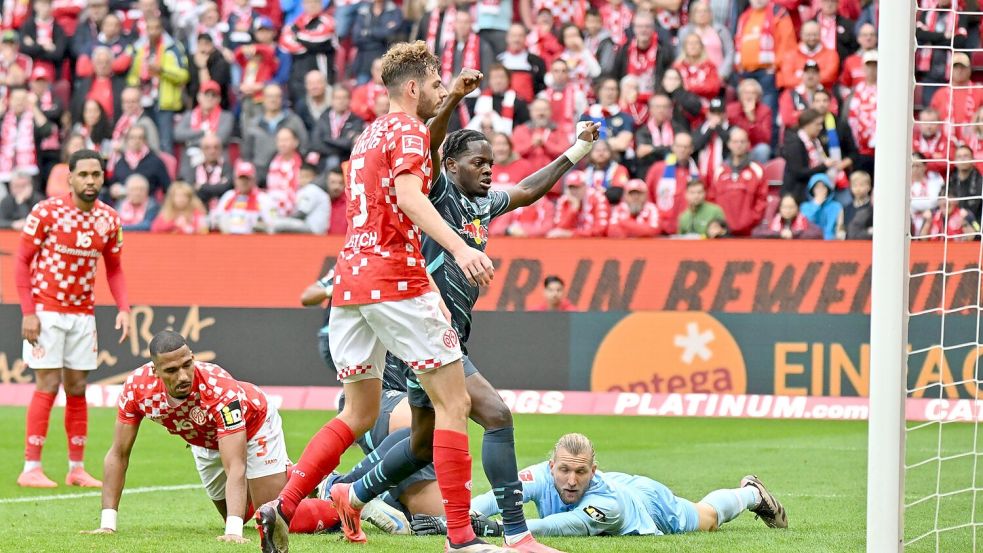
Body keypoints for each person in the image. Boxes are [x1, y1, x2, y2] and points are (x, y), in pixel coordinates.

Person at [319, 70, 599, 552]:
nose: (489, 170)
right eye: (478, 162)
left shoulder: (483, 205)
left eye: (492, 163)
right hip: (420, 334)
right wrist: (451, 101)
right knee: (496, 414)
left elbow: (530, 188)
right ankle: (516, 534)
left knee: (424, 444)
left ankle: (352, 491)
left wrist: (576, 151)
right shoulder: (438, 194)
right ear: (449, 166)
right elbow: (428, 144)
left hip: (442, 338)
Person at [254, 43, 504, 553]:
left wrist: (453, 94)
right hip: (397, 278)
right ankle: (462, 538)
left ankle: (282, 505)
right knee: (453, 402)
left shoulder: (367, 136)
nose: (439, 93)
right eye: (436, 85)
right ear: (413, 88)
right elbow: (411, 198)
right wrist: (459, 248)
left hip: (349, 282)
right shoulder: (410, 131)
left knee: (358, 413)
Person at [80, 331, 340, 542]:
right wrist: (107, 525)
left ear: (193, 357)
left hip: (253, 423)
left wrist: (233, 533)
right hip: (205, 440)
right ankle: (297, 478)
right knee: (235, 512)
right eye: (171, 370)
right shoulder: (137, 389)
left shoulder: (217, 387)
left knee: (272, 515)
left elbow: (235, 464)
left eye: (187, 365)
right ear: (154, 371)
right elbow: (118, 454)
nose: (182, 376)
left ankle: (340, 499)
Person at [14, 149, 131, 488]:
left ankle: (75, 467)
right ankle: (30, 467)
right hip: (47, 311)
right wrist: (28, 311)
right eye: (84, 175)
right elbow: (21, 262)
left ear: (103, 177)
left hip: (82, 314)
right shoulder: (47, 212)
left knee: (78, 387)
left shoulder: (109, 219)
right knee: (47, 384)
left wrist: (124, 308)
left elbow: (115, 267)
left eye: (96, 175)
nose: (90, 181)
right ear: (71, 178)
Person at [411, 433, 787, 537]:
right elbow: (499, 496)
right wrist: (458, 518)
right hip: (621, 487)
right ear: (551, 465)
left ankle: (752, 493)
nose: (571, 481)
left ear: (594, 471)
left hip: (645, 502)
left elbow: (563, 526)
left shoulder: (607, 504)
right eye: (564, 471)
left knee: (706, 518)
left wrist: (497, 530)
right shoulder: (541, 474)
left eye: (580, 472)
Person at [125, 16, 189, 153]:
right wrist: (138, 83)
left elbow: (184, 75)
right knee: (146, 141)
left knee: (165, 143)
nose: (153, 31)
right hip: (144, 102)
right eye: (150, 28)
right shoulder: (141, 49)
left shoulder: (172, 49)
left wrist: (162, 71)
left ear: (162, 29)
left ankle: (166, 173)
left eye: (156, 28)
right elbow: (132, 76)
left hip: (164, 103)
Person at [708, 128, 768, 237]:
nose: (739, 145)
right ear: (729, 144)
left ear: (748, 144)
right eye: (735, 142)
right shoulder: (719, 171)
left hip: (749, 232)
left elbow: (762, 200)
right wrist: (718, 223)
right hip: (723, 232)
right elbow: (712, 199)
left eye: (742, 141)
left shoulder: (757, 170)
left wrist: (751, 220)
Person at [645, 132, 700, 235]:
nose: (682, 150)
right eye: (679, 146)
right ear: (673, 147)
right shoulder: (658, 169)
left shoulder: (697, 173)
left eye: (686, 147)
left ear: (691, 149)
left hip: (688, 229)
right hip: (661, 228)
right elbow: (648, 197)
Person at [782, 109, 837, 203]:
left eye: (821, 124)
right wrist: (824, 166)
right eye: (817, 124)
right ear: (807, 125)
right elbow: (799, 172)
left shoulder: (816, 141)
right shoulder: (794, 143)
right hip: (797, 193)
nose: (820, 127)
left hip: (814, 188)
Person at [211, 161, 278, 234]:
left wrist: (262, 226)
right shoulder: (228, 196)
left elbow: (273, 223)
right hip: (230, 239)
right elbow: (216, 219)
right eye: (241, 178)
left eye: (247, 178)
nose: (244, 182)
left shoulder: (264, 199)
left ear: (254, 180)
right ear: (235, 180)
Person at [311, 86, 365, 172]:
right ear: (332, 100)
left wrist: (327, 140)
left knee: (334, 161)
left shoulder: (356, 120)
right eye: (338, 98)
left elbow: (349, 144)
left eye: (344, 98)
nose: (341, 101)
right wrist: (339, 144)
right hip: (324, 161)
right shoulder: (323, 118)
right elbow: (316, 144)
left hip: (347, 161)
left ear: (349, 100)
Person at [351, 0, 404, 85]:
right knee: (362, 91)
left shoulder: (394, 11)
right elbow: (356, 38)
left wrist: (366, 32)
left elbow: (391, 35)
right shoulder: (363, 10)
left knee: (384, 94)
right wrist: (382, 32)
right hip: (364, 61)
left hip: (385, 61)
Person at [271, 162, 331, 234]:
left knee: (277, 223)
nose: (303, 180)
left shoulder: (313, 189)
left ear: (315, 177)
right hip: (310, 226)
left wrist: (286, 220)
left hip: (313, 228)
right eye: (301, 176)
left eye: (306, 177)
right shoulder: (304, 190)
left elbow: (301, 214)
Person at [548, 171, 610, 238]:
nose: (573, 191)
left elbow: (600, 230)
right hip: (573, 243)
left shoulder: (598, 198)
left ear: (585, 186)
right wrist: (573, 209)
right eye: (570, 187)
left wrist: (571, 234)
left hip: (594, 244)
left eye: (577, 187)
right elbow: (560, 229)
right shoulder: (564, 201)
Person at [179, 132, 232, 210]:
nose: (212, 151)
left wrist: (201, 187)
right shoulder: (193, 170)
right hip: (197, 212)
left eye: (216, 147)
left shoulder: (228, 169)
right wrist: (216, 188)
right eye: (207, 148)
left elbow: (225, 188)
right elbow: (190, 191)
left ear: (221, 149)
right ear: (202, 150)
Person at [726, 79, 773, 164]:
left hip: (753, 149)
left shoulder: (765, 111)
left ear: (758, 96)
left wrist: (752, 120)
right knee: (734, 131)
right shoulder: (731, 109)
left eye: (753, 93)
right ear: (740, 95)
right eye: (746, 93)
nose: (749, 96)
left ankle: (757, 175)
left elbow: (765, 139)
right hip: (734, 150)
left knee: (763, 149)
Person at [752, 193, 823, 239]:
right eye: (785, 207)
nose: (788, 210)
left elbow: (818, 233)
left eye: (791, 207)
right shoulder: (773, 222)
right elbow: (756, 233)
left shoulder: (805, 222)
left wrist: (793, 234)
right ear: (780, 209)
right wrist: (779, 234)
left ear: (797, 208)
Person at [799, 173, 843, 240]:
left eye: (823, 187)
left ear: (828, 189)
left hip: (831, 241)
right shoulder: (805, 206)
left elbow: (839, 227)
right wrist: (816, 205)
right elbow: (805, 224)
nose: (820, 190)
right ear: (812, 190)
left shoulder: (836, 206)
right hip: (811, 241)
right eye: (817, 187)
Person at [951, 145, 983, 221]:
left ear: (973, 159)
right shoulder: (951, 181)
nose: (962, 159)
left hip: (975, 225)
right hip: (954, 223)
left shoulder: (980, 181)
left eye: (966, 156)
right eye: (959, 156)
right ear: (954, 161)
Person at [843, 170, 873, 240]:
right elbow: (841, 229)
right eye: (855, 185)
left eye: (861, 185)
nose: (858, 188)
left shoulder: (873, 207)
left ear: (869, 186)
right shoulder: (846, 208)